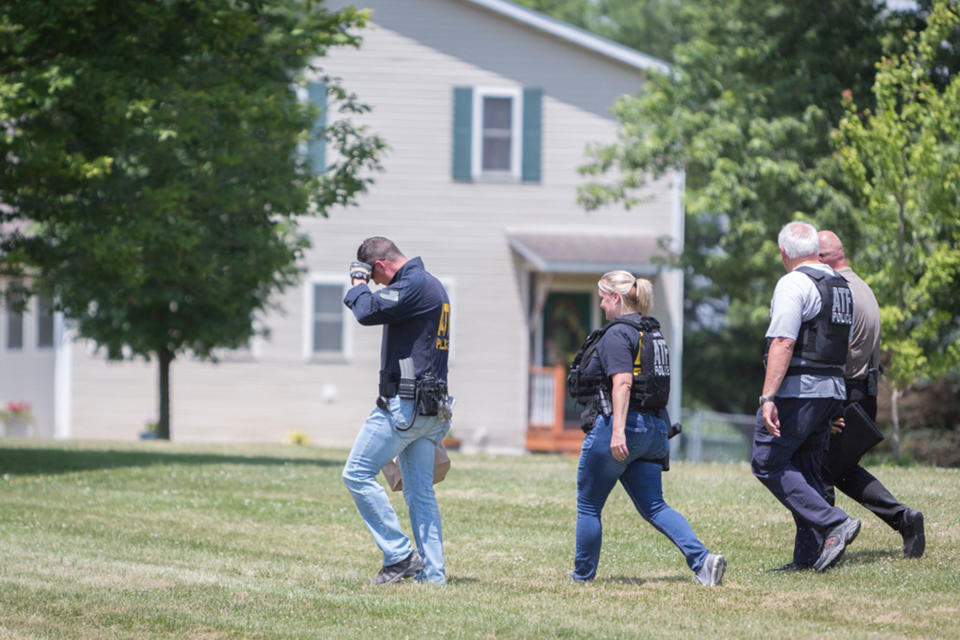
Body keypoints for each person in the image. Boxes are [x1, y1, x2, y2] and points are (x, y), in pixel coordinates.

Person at [568, 270, 726, 585]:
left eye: (603, 297)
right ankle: (703, 561)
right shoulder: (652, 332)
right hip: (655, 429)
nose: (601, 304)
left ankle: (582, 577)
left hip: (624, 426)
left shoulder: (617, 333)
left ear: (616, 297)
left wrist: (616, 431)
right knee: (654, 505)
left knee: (589, 505)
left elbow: (623, 382)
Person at [340, 237, 452, 585]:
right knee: (420, 493)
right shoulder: (429, 284)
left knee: (356, 474)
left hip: (406, 406)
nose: (376, 285)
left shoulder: (413, 285)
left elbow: (367, 311)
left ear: (381, 265)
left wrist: (358, 283)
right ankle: (433, 576)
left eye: (375, 278)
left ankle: (400, 555)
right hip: (430, 406)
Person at [753, 221, 863, 573]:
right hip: (831, 389)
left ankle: (834, 522)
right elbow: (844, 345)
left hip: (799, 392)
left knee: (767, 461)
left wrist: (768, 396)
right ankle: (809, 557)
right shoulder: (840, 285)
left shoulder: (793, 283)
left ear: (784, 253)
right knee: (806, 468)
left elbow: (783, 341)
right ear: (815, 248)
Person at [817, 230, 925, 558]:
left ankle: (825, 544)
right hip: (865, 393)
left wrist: (829, 405)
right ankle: (905, 519)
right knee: (840, 469)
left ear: (823, 259)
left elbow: (841, 354)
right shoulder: (862, 286)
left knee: (821, 468)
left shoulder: (841, 293)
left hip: (849, 393)